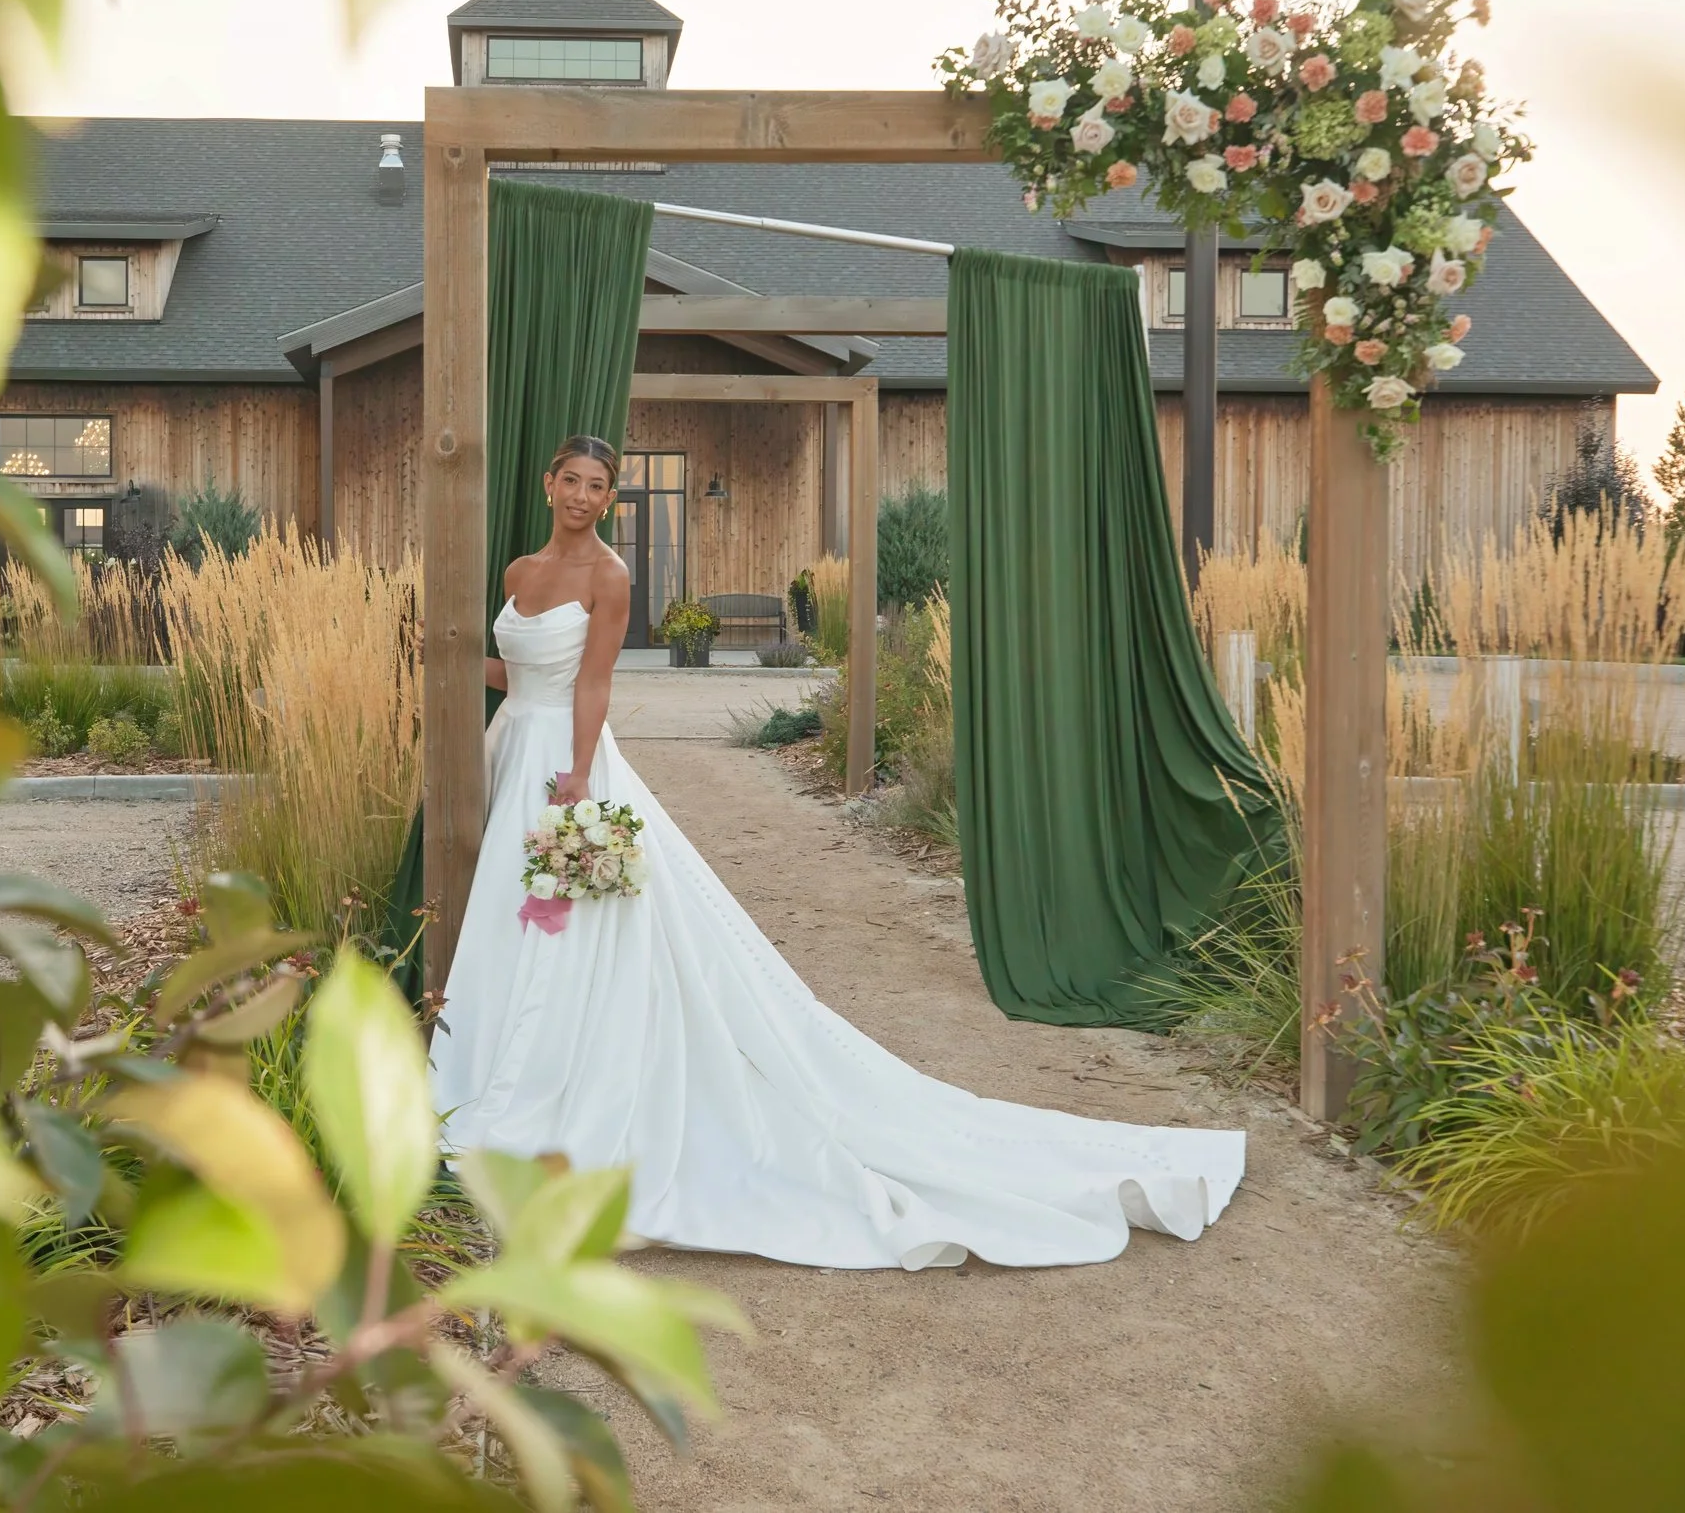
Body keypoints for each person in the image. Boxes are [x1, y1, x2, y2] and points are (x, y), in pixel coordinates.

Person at [428, 435, 1245, 1270]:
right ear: (548, 483)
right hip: (512, 750)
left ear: (608, 497)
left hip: (570, 765)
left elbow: (594, 682)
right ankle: (498, 1072)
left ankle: (550, 1097)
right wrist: (456, 656)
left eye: (598, 485)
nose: (582, 495)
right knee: (510, 924)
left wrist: (575, 777)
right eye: (572, 480)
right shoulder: (518, 574)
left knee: (573, 930)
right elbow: (521, 672)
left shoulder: (609, 576)